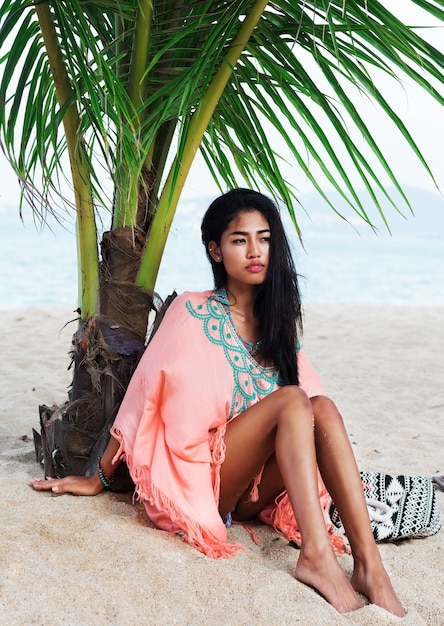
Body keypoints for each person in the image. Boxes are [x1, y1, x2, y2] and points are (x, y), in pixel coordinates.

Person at [31, 188, 405, 616]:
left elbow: (316, 422)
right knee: (293, 401)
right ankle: (317, 557)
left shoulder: (278, 325)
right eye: (239, 239)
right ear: (215, 249)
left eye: (264, 238)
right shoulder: (191, 311)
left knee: (321, 407)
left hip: (258, 491)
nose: (255, 251)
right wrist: (98, 477)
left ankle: (369, 565)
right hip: (211, 482)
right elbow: (144, 394)